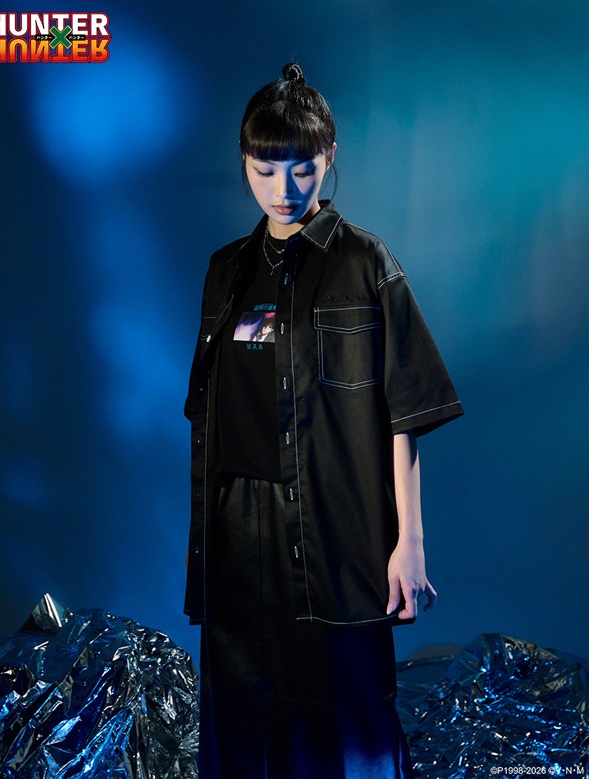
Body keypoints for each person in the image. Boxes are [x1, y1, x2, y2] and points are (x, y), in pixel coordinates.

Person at [184, 62, 463, 778]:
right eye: (265, 170)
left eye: (303, 169)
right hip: (238, 532)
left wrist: (409, 544)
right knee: (243, 716)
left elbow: (404, 411)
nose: (284, 189)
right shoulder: (226, 270)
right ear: (243, 163)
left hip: (335, 530)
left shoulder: (364, 263)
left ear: (329, 158)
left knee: (346, 720)